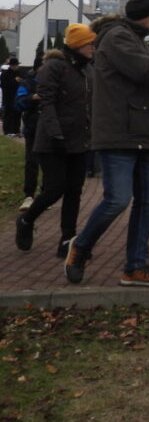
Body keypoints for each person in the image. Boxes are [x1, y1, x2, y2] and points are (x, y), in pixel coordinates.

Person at [64, 0, 149, 288]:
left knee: (147, 202)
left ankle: (135, 267)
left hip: (143, 133)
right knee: (117, 200)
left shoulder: (134, 39)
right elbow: (145, 72)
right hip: (119, 133)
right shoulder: (117, 38)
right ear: (142, 14)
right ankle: (81, 247)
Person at [15, 25, 95, 257]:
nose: (93, 48)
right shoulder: (54, 67)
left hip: (79, 141)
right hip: (52, 141)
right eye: (90, 43)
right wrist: (55, 134)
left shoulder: (87, 70)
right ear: (79, 44)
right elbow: (46, 103)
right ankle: (26, 220)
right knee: (55, 188)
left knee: (74, 191)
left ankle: (67, 239)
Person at [15, 61, 42, 212]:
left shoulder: (58, 81)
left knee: (50, 164)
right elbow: (18, 103)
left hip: (51, 129)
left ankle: (46, 194)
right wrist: (33, 98)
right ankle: (29, 195)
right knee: (31, 162)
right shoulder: (28, 83)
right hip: (32, 128)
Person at [1, 57, 22, 136]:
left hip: (17, 97)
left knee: (17, 114)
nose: (17, 67)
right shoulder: (5, 73)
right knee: (8, 114)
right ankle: (7, 130)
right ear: (12, 66)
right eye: (15, 65)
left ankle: (16, 130)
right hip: (8, 97)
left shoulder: (19, 72)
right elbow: (4, 85)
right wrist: (14, 81)